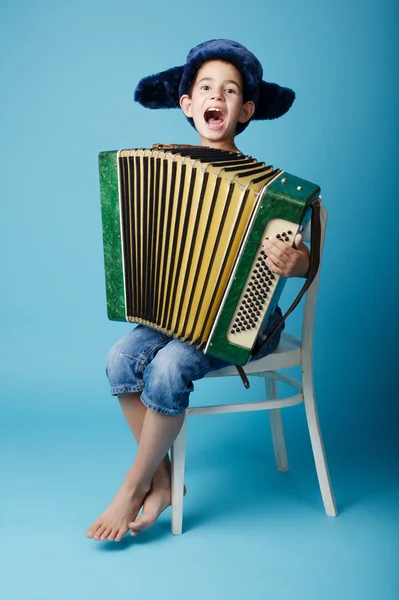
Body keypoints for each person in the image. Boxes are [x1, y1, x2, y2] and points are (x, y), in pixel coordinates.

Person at [86, 39, 311, 543]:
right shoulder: (161, 166)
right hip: (173, 314)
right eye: (206, 88)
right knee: (121, 358)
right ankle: (165, 482)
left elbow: (302, 256)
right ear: (187, 105)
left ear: (246, 111)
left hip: (245, 325)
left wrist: (298, 263)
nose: (218, 96)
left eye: (230, 91)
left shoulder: (272, 188)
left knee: (167, 366)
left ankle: (133, 484)